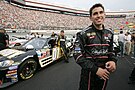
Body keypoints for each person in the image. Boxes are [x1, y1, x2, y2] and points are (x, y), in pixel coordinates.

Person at [74, 3, 117, 90]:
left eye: (101, 12)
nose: (99, 15)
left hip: (105, 72)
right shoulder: (83, 33)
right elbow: (77, 55)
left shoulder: (110, 33)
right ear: (90, 17)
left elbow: (112, 50)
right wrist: (96, 69)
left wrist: (113, 61)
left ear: (104, 15)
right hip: (88, 74)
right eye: (95, 13)